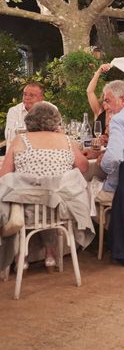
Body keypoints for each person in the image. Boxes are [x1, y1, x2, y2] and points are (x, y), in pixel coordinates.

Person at [0, 102, 89, 270]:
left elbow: (4, 176)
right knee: (47, 195)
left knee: (19, 198)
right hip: (60, 209)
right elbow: (84, 167)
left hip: (27, 210)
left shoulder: (20, 140)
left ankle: (21, 256)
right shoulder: (67, 140)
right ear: (56, 121)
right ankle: (50, 254)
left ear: (30, 120)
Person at [4, 83, 46, 149]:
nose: (27, 98)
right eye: (25, 94)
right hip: (18, 152)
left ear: (41, 98)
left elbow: (56, 133)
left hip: (41, 152)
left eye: (32, 95)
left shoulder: (51, 109)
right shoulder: (14, 111)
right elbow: (10, 136)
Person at [86, 63, 112, 137]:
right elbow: (89, 91)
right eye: (105, 100)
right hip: (94, 147)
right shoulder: (99, 110)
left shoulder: (120, 114)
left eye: (108, 100)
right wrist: (98, 72)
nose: (105, 103)